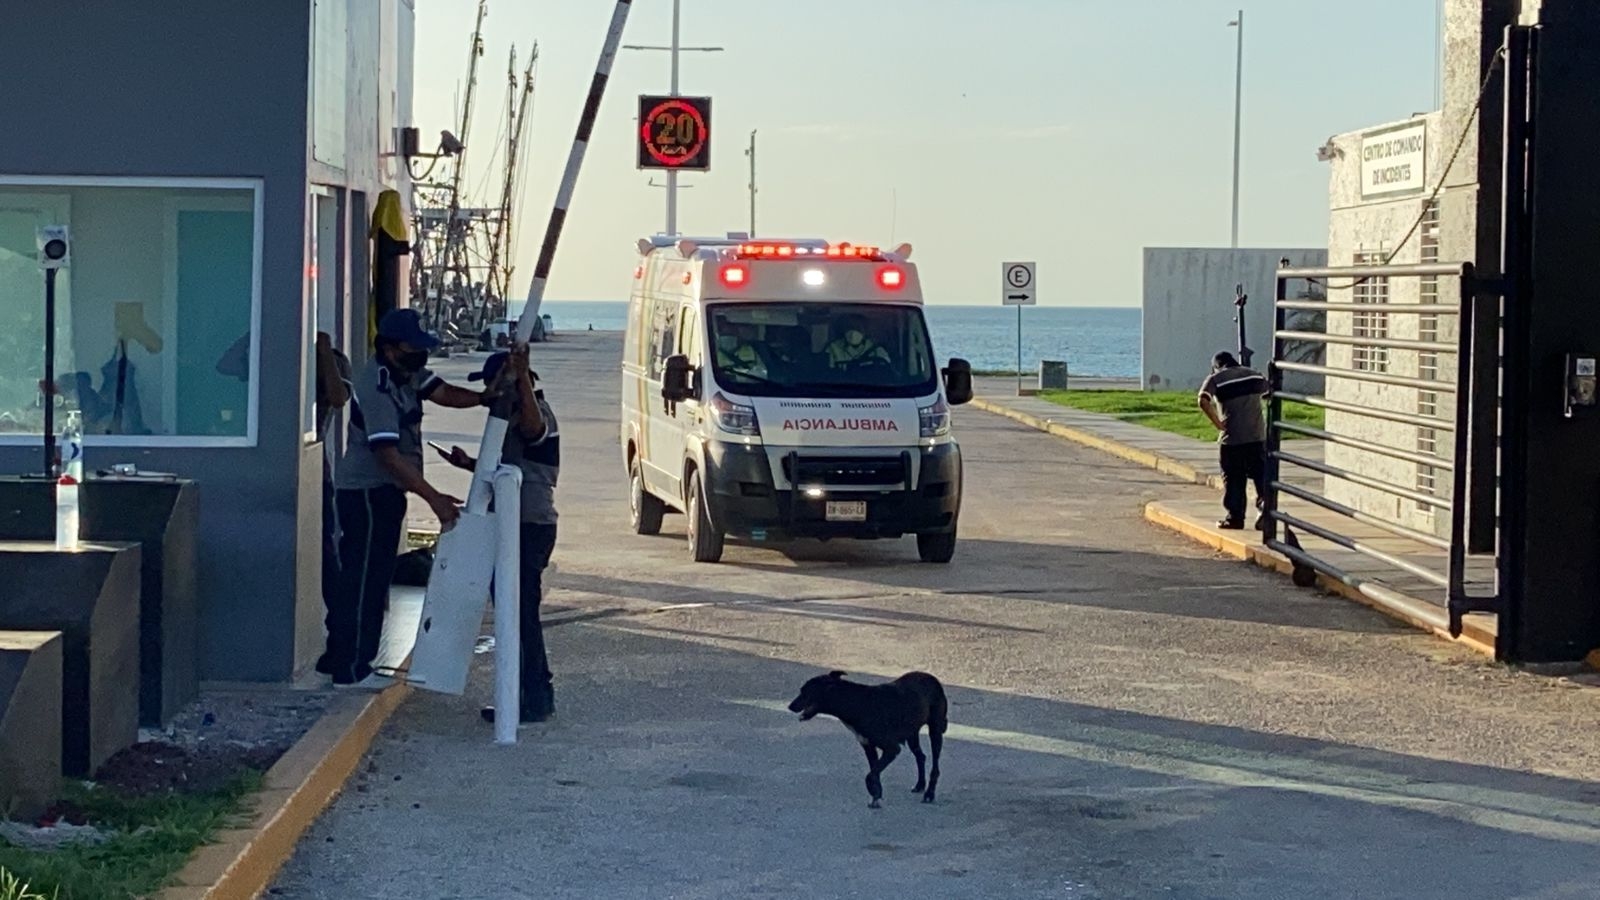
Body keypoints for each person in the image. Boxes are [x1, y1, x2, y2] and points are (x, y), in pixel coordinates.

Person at [318, 309, 493, 688]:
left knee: (374, 578)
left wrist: (484, 399)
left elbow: (443, 392)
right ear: (391, 348)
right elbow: (388, 456)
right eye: (413, 347)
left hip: (386, 493)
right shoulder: (376, 385)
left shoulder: (406, 373)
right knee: (363, 582)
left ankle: (344, 659)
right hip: (366, 494)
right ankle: (351, 668)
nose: (420, 355)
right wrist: (434, 498)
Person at [437, 345, 560, 723]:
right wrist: (470, 464)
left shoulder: (534, 414)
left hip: (529, 527)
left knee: (519, 615)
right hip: (513, 525)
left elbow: (534, 431)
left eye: (491, 385)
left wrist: (520, 376)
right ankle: (527, 693)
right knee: (514, 614)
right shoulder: (510, 419)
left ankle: (532, 697)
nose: (487, 395)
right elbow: (511, 469)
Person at [1197, 351, 1270, 530]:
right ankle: (1266, 512)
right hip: (1257, 437)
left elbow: (1203, 400)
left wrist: (1217, 423)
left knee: (1234, 478)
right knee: (1261, 477)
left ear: (1216, 366)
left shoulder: (1216, 379)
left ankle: (1235, 519)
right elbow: (1269, 392)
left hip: (1232, 439)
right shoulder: (1254, 374)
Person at [314, 332, 353, 639]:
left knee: (327, 548)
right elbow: (226, 366)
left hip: (317, 469)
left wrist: (324, 354)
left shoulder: (334, 360)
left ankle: (339, 622)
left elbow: (339, 398)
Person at [825, 315, 891, 369]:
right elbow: (826, 373)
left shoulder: (876, 350)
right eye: (849, 329)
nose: (853, 333)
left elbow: (886, 372)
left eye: (858, 329)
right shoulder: (833, 348)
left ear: (865, 331)